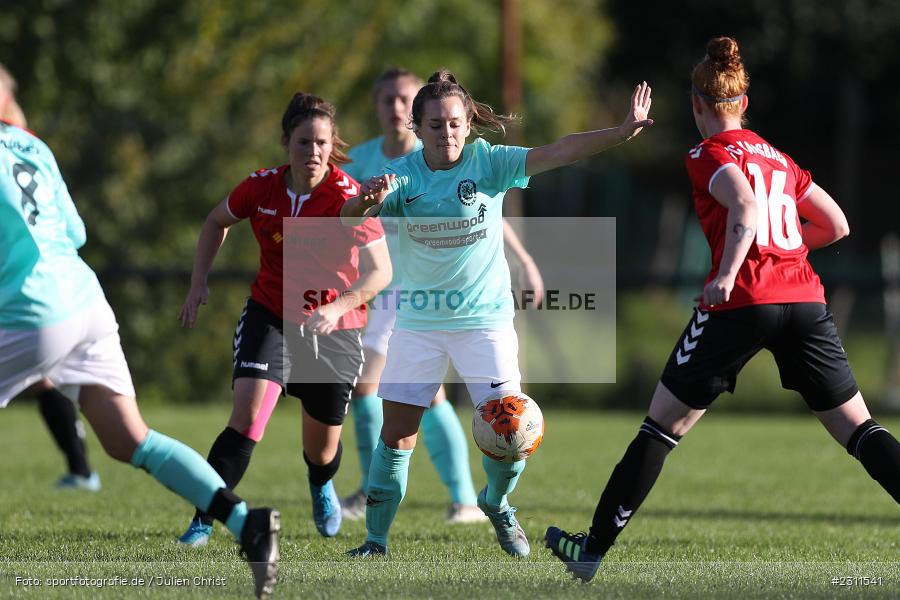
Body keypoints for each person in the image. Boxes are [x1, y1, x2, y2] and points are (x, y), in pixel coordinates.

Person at [545, 36, 900, 582]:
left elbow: (745, 203)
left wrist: (730, 272)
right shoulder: (779, 159)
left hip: (743, 301)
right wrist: (785, 253)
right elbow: (836, 224)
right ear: (744, 102)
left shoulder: (707, 153)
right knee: (860, 430)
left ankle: (589, 551)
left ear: (697, 104)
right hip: (804, 300)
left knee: (661, 427)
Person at [341, 69, 652, 557]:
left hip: (484, 323)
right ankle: (375, 542)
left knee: (510, 429)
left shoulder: (489, 162)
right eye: (435, 125)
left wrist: (619, 132)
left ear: (469, 125)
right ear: (417, 128)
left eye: (455, 124)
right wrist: (365, 201)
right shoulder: (402, 175)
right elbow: (347, 219)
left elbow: (559, 151)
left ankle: (496, 502)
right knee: (396, 439)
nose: (446, 133)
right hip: (419, 324)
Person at [0, 122, 279, 598]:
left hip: (31, 310)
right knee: (130, 440)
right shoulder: (30, 143)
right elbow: (76, 232)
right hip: (84, 301)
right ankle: (245, 521)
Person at [176, 92, 390, 546]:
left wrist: (336, 307)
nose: (313, 151)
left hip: (332, 329)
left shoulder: (348, 195)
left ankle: (320, 483)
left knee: (322, 449)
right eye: (303, 142)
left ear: (332, 146)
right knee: (247, 417)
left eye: (321, 143)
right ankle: (204, 519)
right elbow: (215, 222)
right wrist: (198, 282)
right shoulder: (261, 187)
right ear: (286, 143)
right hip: (270, 313)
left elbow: (380, 272)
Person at [340, 67, 544, 524]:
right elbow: (345, 215)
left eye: (404, 98)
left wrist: (524, 260)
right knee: (386, 395)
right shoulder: (365, 160)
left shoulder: (445, 155)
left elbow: (482, 213)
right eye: (388, 99)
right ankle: (406, 498)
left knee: (402, 395)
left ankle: (461, 498)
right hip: (387, 290)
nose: (396, 107)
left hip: (430, 296)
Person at [0, 62, 100, 492]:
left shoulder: (15, 143)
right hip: (68, 291)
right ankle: (81, 469)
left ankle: (82, 469)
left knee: (42, 376)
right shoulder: (31, 144)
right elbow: (76, 233)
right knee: (43, 378)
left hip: (28, 291)